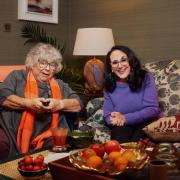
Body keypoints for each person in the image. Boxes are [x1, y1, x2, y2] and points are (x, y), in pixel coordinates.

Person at [0, 43, 82, 160]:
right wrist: (28, 103)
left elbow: (78, 104)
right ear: (32, 62)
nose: (47, 68)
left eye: (52, 64)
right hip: (10, 130)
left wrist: (59, 104)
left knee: (58, 150)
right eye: (43, 63)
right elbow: (3, 97)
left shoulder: (60, 85)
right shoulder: (17, 76)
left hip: (46, 135)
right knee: (1, 145)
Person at [103, 45, 163, 143]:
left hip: (148, 121)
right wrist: (114, 119)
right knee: (118, 141)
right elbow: (107, 116)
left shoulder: (145, 77)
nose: (120, 66)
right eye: (115, 62)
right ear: (111, 67)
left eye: (123, 60)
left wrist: (125, 118)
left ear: (130, 61)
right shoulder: (109, 85)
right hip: (123, 124)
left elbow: (152, 110)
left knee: (137, 143)